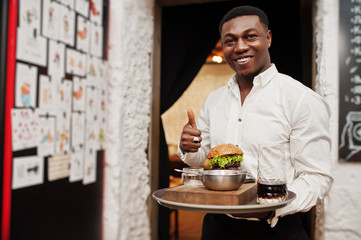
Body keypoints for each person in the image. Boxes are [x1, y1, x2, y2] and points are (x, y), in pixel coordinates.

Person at [177, 5, 333, 240]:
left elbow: (317, 176)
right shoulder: (214, 99)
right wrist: (191, 147)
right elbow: (205, 160)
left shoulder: (300, 99)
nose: (240, 47)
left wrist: (270, 208)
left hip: (277, 229)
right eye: (230, 41)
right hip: (217, 226)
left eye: (250, 36)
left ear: (268, 38)